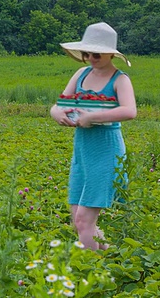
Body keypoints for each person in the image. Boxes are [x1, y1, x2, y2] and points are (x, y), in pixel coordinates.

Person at [49, 22, 137, 250]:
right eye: (86, 53)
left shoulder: (119, 79)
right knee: (77, 217)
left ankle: (90, 273)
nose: (90, 58)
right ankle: (107, 258)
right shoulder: (81, 73)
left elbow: (130, 111)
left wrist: (92, 117)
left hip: (106, 150)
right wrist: (57, 113)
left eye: (96, 54)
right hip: (83, 150)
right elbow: (60, 103)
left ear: (110, 54)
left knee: (84, 220)